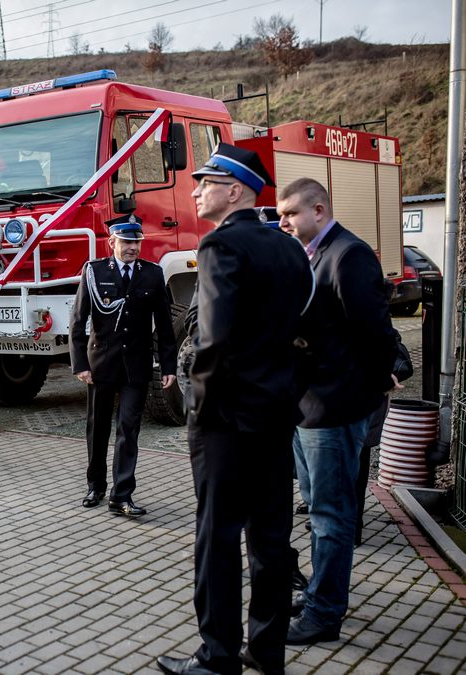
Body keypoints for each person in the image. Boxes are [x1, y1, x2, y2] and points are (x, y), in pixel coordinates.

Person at [157, 145, 314, 675]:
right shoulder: (289, 248)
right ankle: (267, 650)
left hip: (225, 420)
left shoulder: (221, 244)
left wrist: (198, 407)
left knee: (217, 538)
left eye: (205, 182)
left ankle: (217, 656)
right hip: (275, 415)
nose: (196, 190)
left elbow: (213, 339)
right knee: (270, 539)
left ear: (234, 190)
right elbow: (305, 331)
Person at [276, 177, 398, 646]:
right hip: (305, 408)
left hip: (334, 408)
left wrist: (371, 387)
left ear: (319, 210)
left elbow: (376, 332)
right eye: (281, 215)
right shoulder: (310, 255)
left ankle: (324, 614)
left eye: (290, 213)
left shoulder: (349, 255)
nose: (283, 222)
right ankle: (319, 594)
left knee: (331, 516)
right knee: (317, 510)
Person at [70, 216, 176, 517]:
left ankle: (122, 495)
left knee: (129, 429)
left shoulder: (152, 274)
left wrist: (168, 365)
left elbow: (165, 325)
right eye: (127, 242)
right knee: (98, 428)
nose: (133, 248)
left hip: (136, 366)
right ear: (112, 242)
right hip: (101, 364)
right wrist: (80, 364)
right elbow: (78, 320)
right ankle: (96, 486)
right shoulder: (94, 272)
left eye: (136, 243)